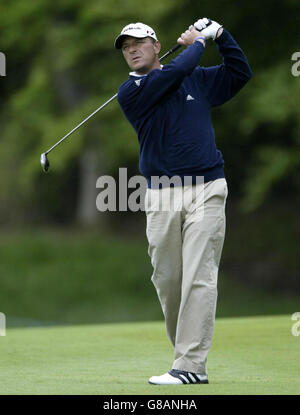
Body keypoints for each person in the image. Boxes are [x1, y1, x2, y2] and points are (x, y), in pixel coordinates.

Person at [114, 18, 252, 385]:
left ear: (156, 45)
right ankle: (186, 357)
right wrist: (196, 43)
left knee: (198, 276)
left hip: (207, 188)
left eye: (138, 42)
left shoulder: (196, 77)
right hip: (161, 194)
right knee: (168, 279)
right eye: (126, 46)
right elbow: (173, 75)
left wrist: (221, 35)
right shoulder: (132, 92)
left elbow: (240, 72)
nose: (131, 49)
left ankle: (189, 366)